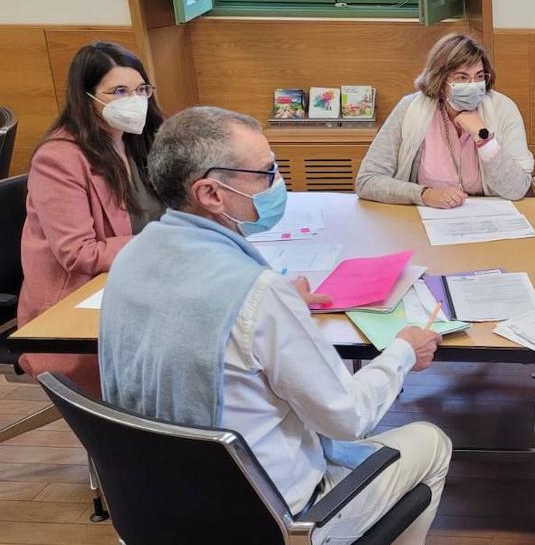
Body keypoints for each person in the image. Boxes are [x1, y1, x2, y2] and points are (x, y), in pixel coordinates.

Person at [98, 107, 451, 544]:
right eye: (265, 172)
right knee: (432, 443)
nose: (277, 182)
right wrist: (402, 352)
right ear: (211, 193)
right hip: (266, 519)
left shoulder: (133, 257)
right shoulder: (258, 295)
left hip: (157, 506)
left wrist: (281, 305)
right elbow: (348, 418)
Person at [18, 41, 165, 396]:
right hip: (77, 305)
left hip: (142, 278)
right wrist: (166, 242)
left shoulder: (137, 141)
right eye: (118, 91)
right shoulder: (59, 158)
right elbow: (79, 253)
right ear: (87, 98)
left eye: (140, 89)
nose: (134, 100)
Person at [356, 33, 533, 208]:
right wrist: (424, 194)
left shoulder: (503, 108)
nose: (473, 85)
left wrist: (484, 138)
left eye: (479, 76)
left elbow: (517, 189)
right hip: (428, 218)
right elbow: (367, 180)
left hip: (491, 217)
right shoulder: (410, 109)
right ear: (440, 81)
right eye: (462, 77)